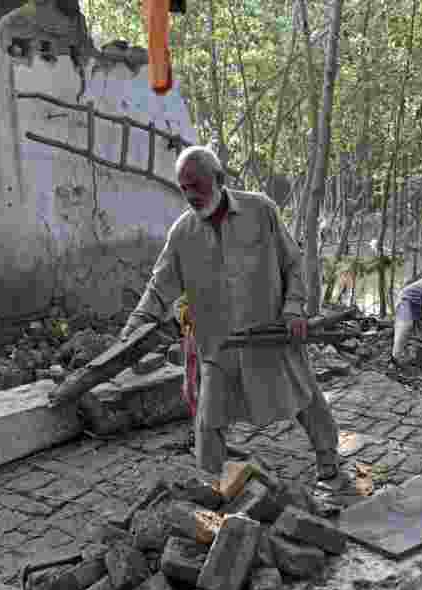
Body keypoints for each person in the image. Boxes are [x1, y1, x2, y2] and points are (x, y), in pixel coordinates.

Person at [120, 146, 341, 481]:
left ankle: (327, 456)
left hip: (272, 334)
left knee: (305, 396)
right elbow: (159, 286)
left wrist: (294, 308)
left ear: (220, 179)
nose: (190, 195)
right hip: (219, 346)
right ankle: (210, 482)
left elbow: (292, 262)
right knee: (209, 419)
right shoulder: (182, 234)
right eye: (183, 187)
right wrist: (136, 324)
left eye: (197, 185)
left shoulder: (260, 209)